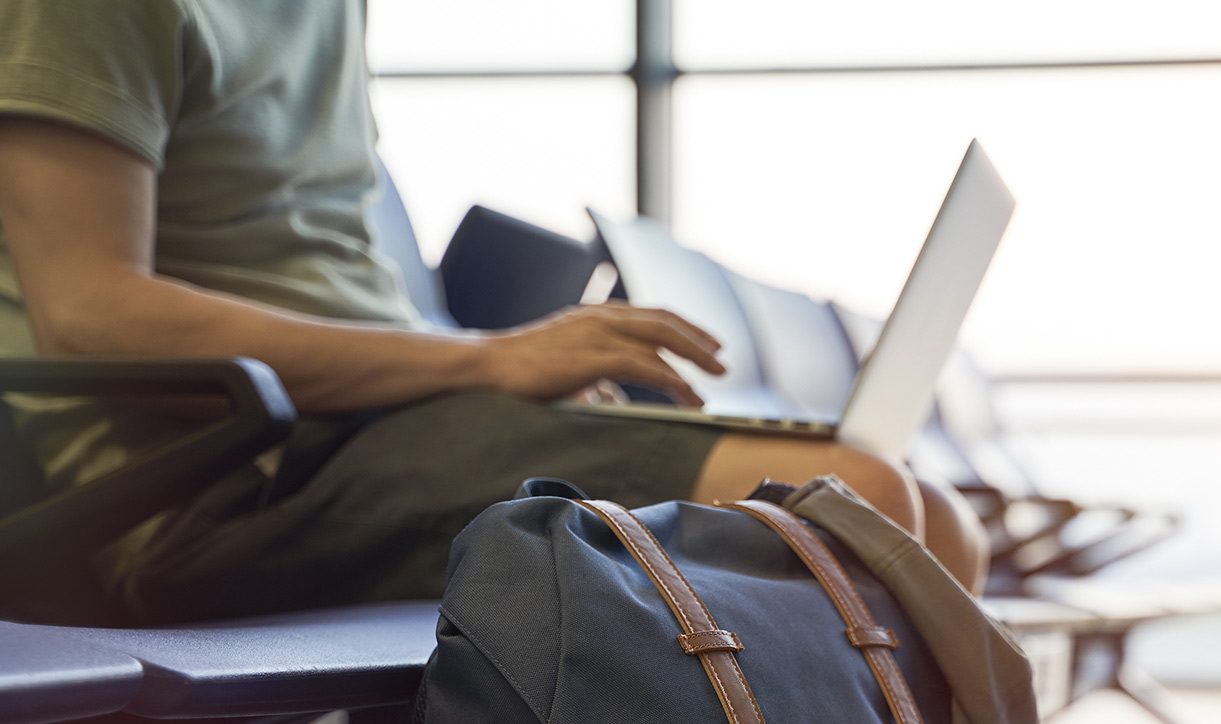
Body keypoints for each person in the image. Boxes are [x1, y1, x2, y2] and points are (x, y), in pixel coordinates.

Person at [0, 0, 986, 623]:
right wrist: (484, 363)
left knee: (934, 519)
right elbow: (92, 316)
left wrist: (526, 393)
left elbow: (335, 287)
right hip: (216, 482)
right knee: (858, 504)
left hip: (367, 433)